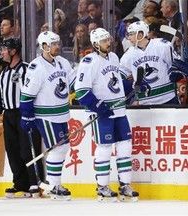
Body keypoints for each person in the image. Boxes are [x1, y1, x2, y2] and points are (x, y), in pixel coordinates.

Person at [74, 27, 145, 201]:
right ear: (96, 44)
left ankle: (125, 185)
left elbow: (116, 82)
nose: (108, 43)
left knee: (125, 146)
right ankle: (102, 186)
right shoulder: (88, 62)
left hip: (119, 110)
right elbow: (81, 91)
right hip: (102, 114)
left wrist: (133, 87)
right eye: (105, 40)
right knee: (104, 149)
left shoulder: (113, 57)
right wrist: (99, 106)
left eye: (108, 39)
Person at [19, 31, 76, 200]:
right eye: (54, 44)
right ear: (44, 46)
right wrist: (27, 115)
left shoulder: (63, 62)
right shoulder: (36, 67)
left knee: (62, 147)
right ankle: (53, 185)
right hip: (46, 115)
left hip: (62, 113)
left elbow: (74, 83)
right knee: (58, 147)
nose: (58, 46)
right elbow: (27, 95)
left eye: (58, 43)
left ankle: (54, 184)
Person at [0, 38, 44, 198]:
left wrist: (30, 113)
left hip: (24, 114)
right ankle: (20, 183)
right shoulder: (3, 73)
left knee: (27, 149)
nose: (2, 52)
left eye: (4, 49)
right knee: (12, 150)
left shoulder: (27, 69)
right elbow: (0, 97)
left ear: (13, 51)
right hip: (8, 115)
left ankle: (34, 182)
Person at [120, 21, 181, 105]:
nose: (129, 38)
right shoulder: (128, 55)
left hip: (168, 98)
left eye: (131, 34)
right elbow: (120, 78)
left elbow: (178, 66)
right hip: (145, 102)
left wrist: (176, 73)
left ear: (140, 35)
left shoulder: (162, 46)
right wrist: (134, 87)